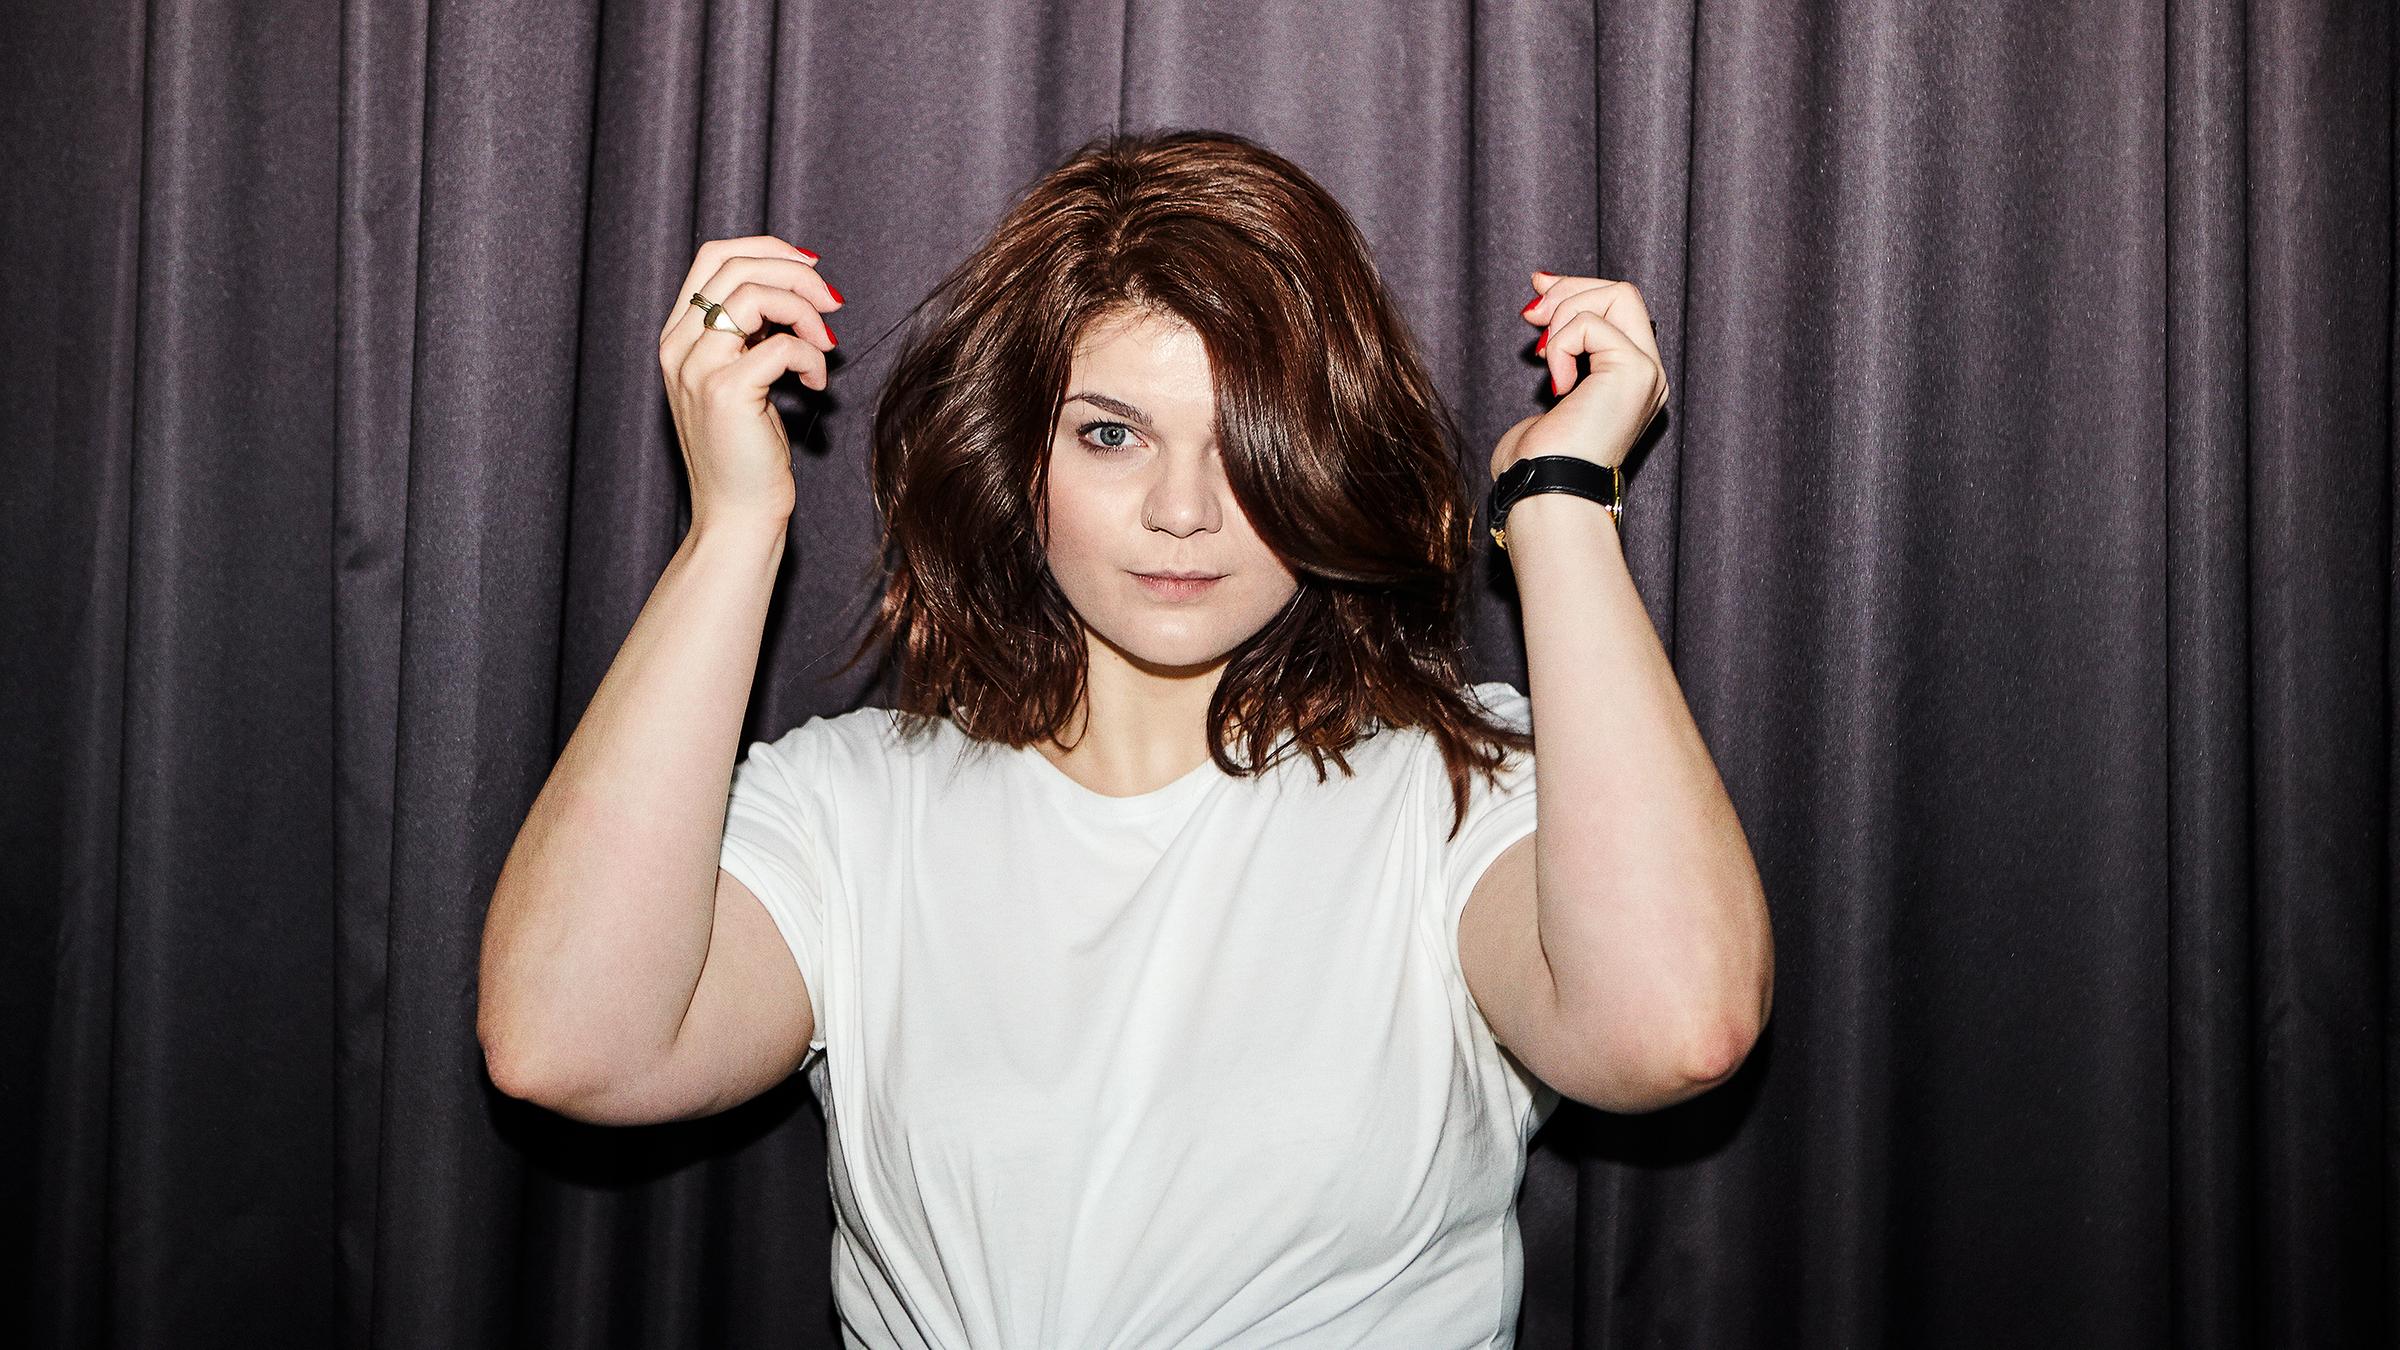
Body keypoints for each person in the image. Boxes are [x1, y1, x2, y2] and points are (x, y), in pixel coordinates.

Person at [478, 128, 1773, 1348]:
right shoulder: (853, 804)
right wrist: (734, 526)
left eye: (1247, 437)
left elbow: (1669, 1032)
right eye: (1112, 433)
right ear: (1016, 457)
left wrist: (1558, 503)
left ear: (1327, 454)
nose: (1184, 509)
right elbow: (568, 1048)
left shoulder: (1461, 785)